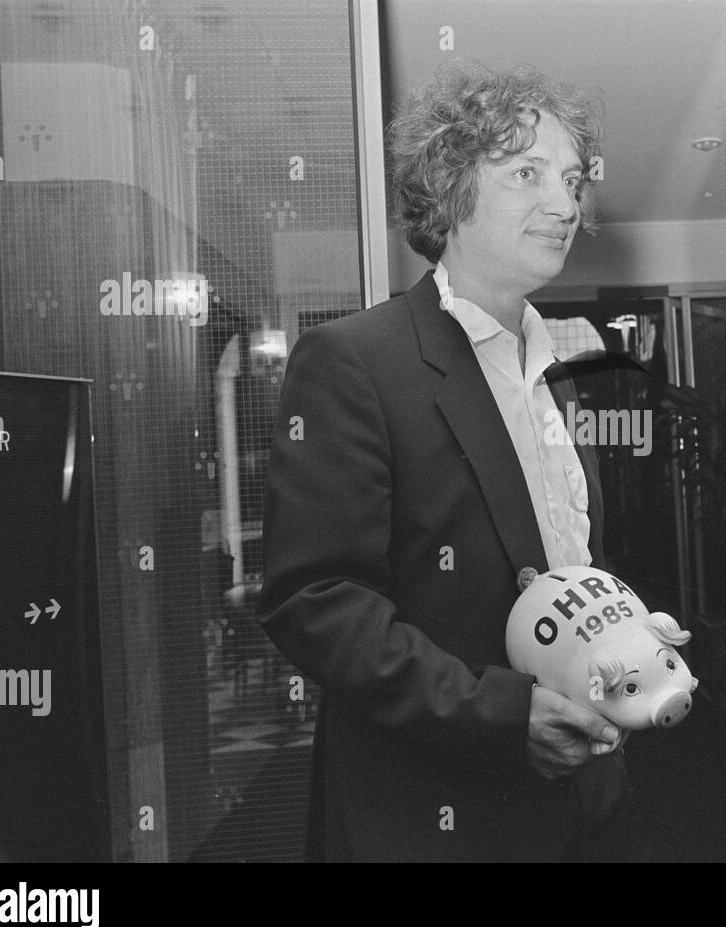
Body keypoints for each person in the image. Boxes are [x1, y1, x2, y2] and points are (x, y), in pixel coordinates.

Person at [257, 62, 632, 861]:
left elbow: (563, 565)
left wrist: (624, 636)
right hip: (431, 815)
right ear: (451, 185)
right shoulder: (353, 360)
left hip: (577, 805)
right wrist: (502, 715)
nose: (565, 205)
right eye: (527, 173)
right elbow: (314, 600)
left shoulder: (559, 374)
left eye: (572, 180)